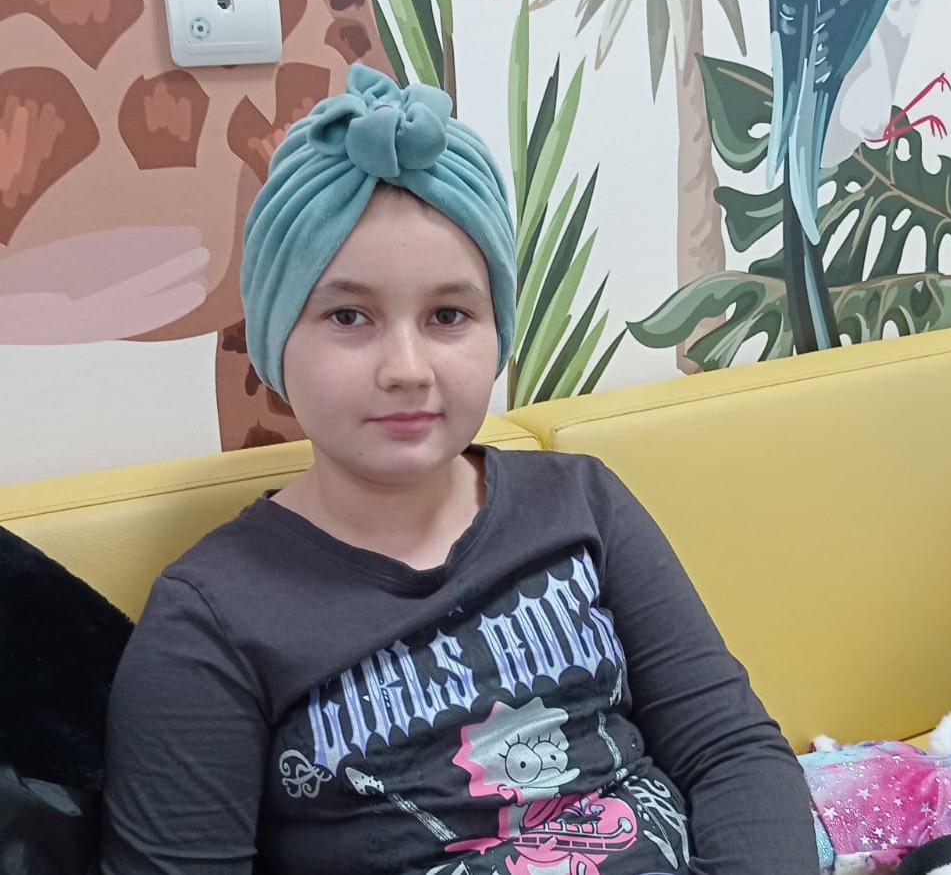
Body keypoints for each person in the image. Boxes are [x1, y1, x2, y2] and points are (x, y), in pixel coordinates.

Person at [100, 64, 818, 875]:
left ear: (495, 332)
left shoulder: (582, 502)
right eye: (348, 315)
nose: (406, 369)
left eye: (448, 315)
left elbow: (729, 751)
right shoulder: (209, 620)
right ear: (276, 341)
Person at [801, 698, 951, 874]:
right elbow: (867, 751)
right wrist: (831, 751)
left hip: (835, 834)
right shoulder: (910, 750)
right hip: (803, 778)